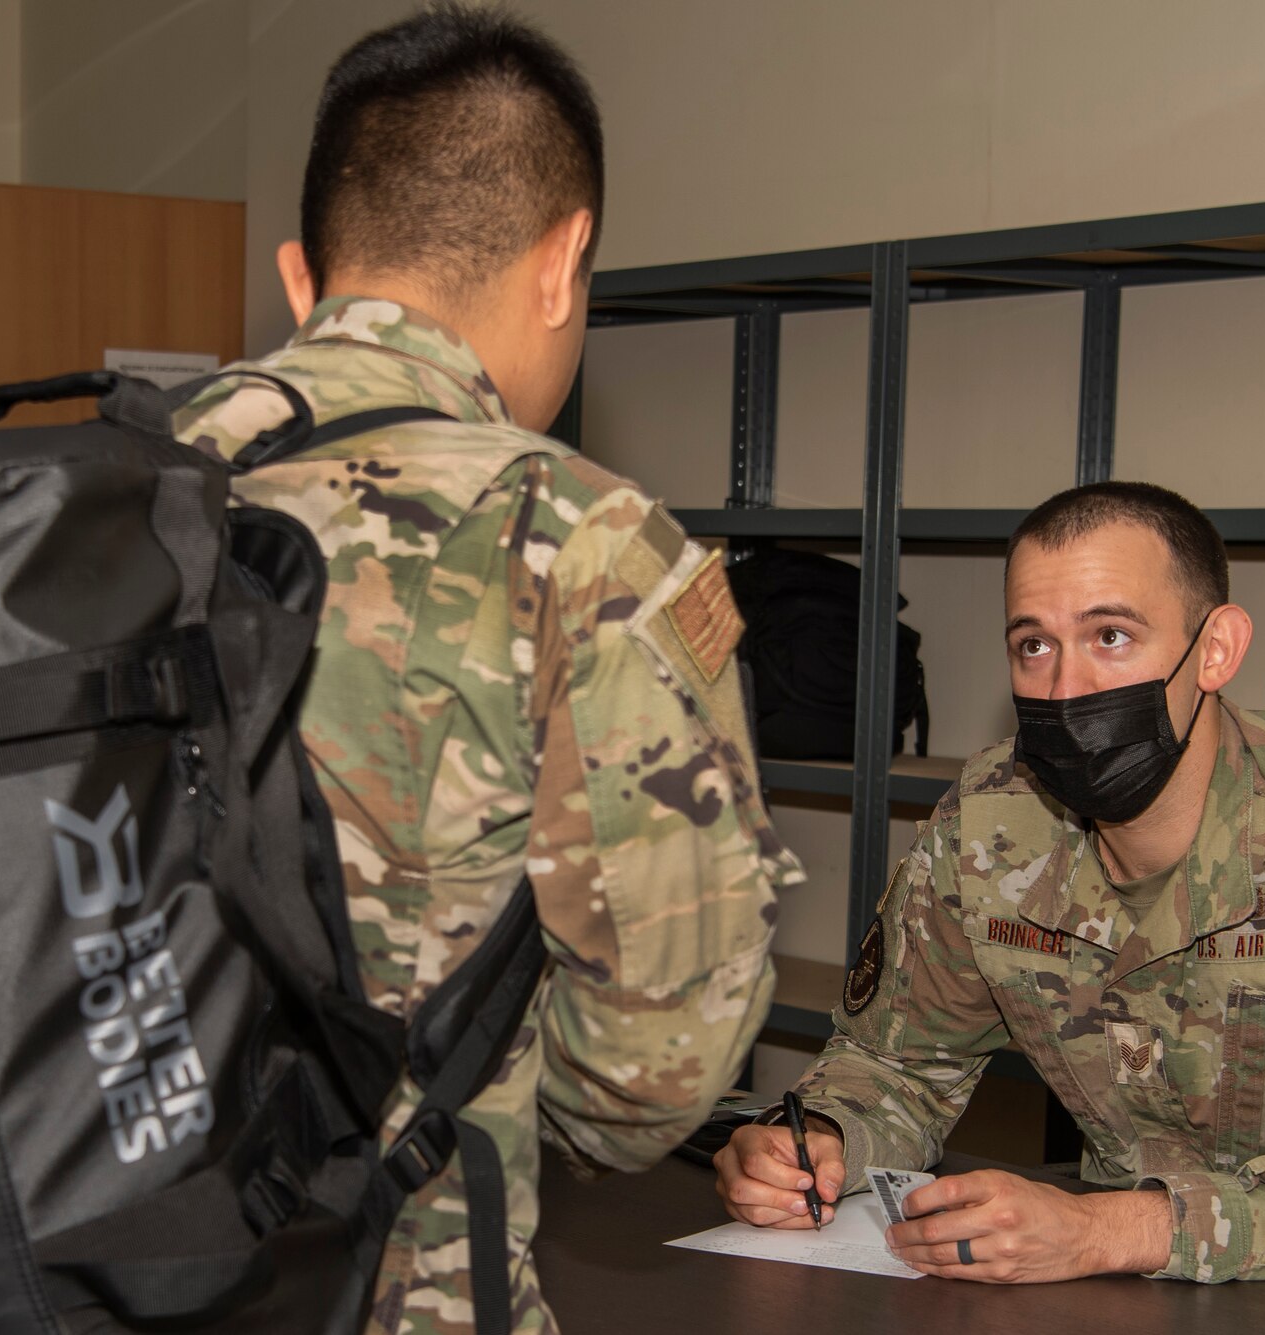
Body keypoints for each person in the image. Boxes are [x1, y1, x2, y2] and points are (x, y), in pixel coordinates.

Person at [175, 8, 800, 1332]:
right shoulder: (576, 540)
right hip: (394, 1282)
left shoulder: (94, 491)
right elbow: (654, 1070)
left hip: (72, 1257)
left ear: (303, 279)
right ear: (567, 257)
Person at [717, 481, 1265, 1283]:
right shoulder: (991, 826)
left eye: (1110, 635)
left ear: (1216, 648)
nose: (1066, 687)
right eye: (1033, 645)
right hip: (1117, 1292)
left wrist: (1116, 1229)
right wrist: (818, 1141)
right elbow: (896, 1067)